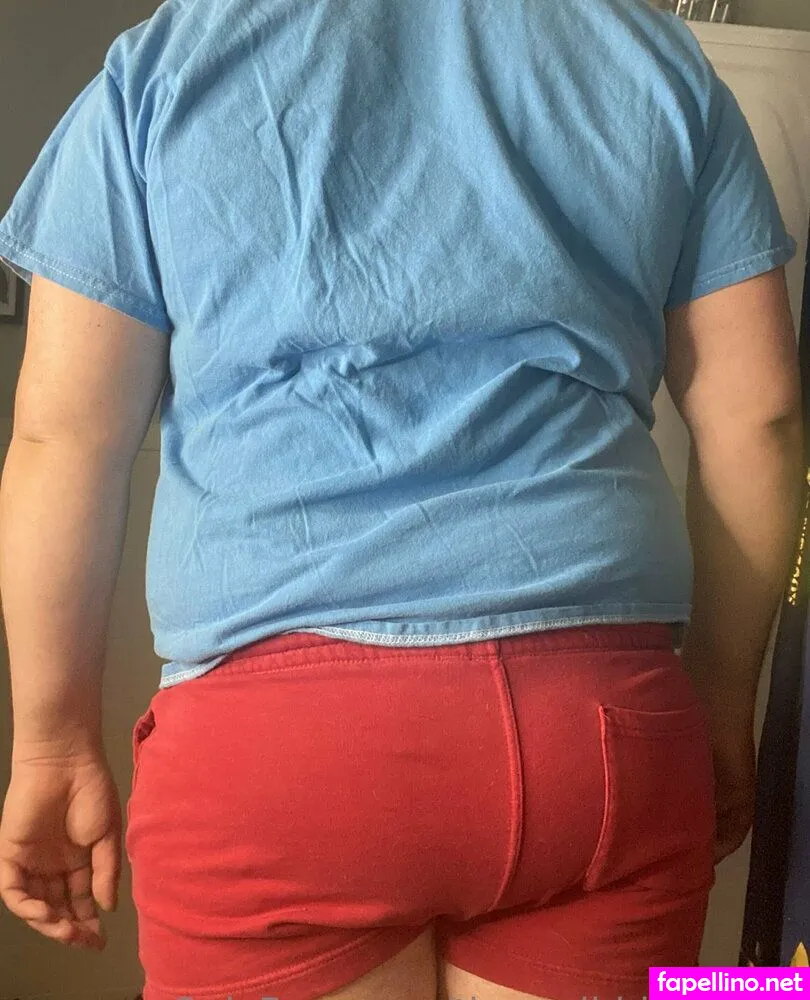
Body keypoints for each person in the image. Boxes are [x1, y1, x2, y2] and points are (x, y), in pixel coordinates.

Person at [0, 0, 803, 997]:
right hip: (601, 730)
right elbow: (760, 420)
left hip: (279, 756)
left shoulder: (160, 71)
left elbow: (65, 440)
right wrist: (722, 700)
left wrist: (52, 741)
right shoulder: (657, 63)